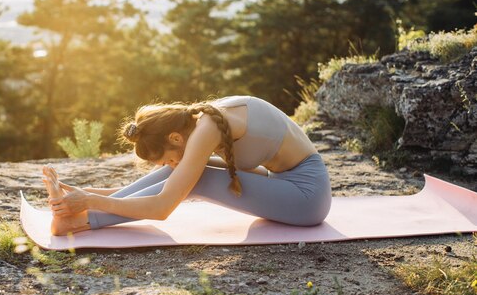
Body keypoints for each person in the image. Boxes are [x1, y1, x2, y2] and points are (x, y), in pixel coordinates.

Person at [42, 95, 332, 236]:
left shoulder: (207, 129)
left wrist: (91, 200)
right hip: (282, 182)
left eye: (168, 155)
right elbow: (173, 178)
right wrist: (99, 193)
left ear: (175, 137)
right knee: (182, 174)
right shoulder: (203, 117)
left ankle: (78, 220)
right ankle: (87, 209)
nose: (169, 163)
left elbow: (162, 208)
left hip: (306, 196)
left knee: (193, 178)